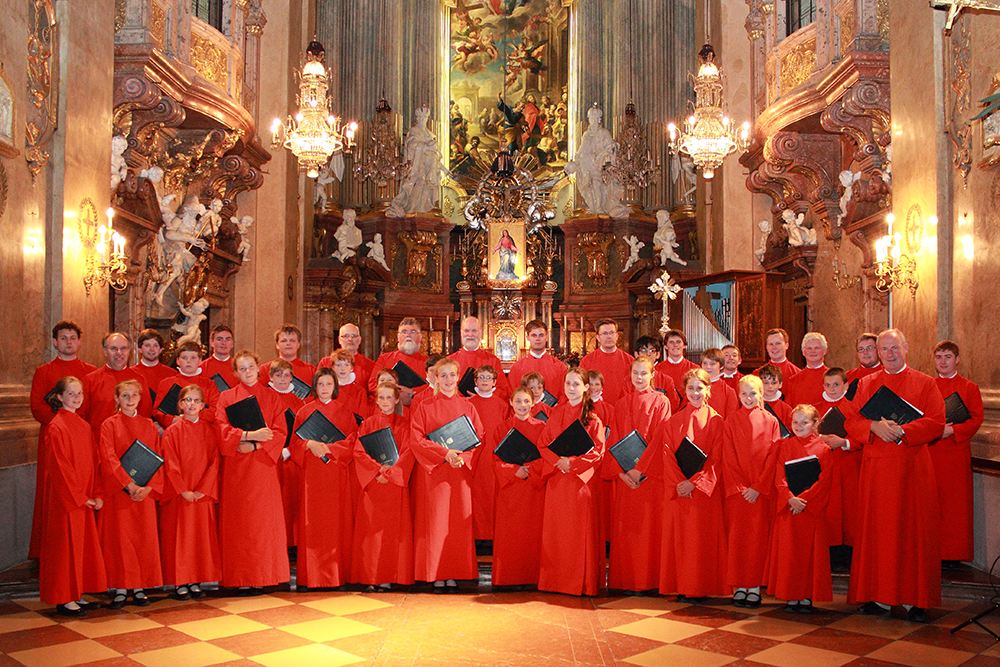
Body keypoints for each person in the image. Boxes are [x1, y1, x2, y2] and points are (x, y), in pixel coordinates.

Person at [844, 329, 946, 623]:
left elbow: (937, 423)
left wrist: (902, 431)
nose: (889, 354)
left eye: (894, 348)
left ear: (907, 348)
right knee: (878, 532)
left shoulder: (926, 383)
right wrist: (873, 427)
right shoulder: (866, 383)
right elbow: (851, 419)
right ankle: (878, 597)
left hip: (912, 467)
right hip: (877, 468)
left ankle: (917, 599)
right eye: (883, 349)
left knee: (914, 532)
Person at [638, 369, 727, 602]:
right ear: (684, 391)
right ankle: (680, 585)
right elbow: (666, 454)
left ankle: (699, 586)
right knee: (679, 540)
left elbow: (717, 458)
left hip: (703, 493)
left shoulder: (717, 421)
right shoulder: (674, 421)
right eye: (691, 388)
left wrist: (694, 483)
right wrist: (680, 483)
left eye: (700, 388)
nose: (695, 393)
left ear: (708, 390)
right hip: (679, 491)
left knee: (700, 542)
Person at [215, 350, 290, 595]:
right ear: (235, 373)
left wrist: (256, 444)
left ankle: (263, 575)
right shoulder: (226, 397)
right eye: (242, 368)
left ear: (259, 368)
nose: (247, 372)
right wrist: (246, 436)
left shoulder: (271, 397)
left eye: (251, 367)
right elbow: (221, 429)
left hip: (263, 468)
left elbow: (280, 431)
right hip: (237, 468)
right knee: (239, 523)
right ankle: (239, 576)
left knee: (262, 523)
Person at [410, 358, 484, 592]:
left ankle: (454, 572)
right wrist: (444, 454)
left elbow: (478, 437)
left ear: (458, 377)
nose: (449, 380)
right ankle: (436, 572)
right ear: (435, 378)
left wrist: (463, 457)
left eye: (453, 375)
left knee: (456, 523)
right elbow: (417, 439)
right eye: (444, 375)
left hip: (459, 472)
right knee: (436, 523)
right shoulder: (425, 406)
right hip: (435, 473)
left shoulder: (468, 407)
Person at [39, 377, 107, 617]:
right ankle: (64, 597)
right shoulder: (56, 426)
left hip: (84, 496)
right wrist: (79, 496)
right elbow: (59, 467)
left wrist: (96, 491)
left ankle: (77, 592)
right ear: (59, 397)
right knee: (65, 548)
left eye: (79, 394)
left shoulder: (83, 425)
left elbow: (94, 461)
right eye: (71, 393)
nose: (76, 398)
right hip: (66, 500)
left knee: (81, 547)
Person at [29, 321, 97, 560]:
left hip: (82, 438)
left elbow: (92, 406)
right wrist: (65, 427)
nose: (69, 342)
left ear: (79, 341)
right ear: (55, 342)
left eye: (72, 338)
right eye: (63, 338)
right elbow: (38, 407)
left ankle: (83, 553)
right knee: (55, 494)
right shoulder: (43, 371)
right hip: (55, 438)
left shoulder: (90, 370)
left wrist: (79, 429)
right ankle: (51, 553)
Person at [538, 368, 607, 597]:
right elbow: (543, 444)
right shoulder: (556, 414)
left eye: (576, 384)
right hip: (558, 481)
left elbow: (598, 452)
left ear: (586, 387)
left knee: (579, 535)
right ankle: (555, 581)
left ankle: (582, 583)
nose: (571, 388)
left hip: (579, 483)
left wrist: (573, 463)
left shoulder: (593, 418)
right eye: (568, 384)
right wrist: (559, 461)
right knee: (557, 534)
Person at [605, 357, 671, 595]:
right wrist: (622, 473)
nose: (640, 378)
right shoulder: (621, 404)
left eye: (644, 373)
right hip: (627, 479)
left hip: (650, 477)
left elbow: (660, 439)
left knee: (649, 529)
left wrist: (640, 469)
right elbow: (613, 442)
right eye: (635, 373)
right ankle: (627, 580)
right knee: (628, 530)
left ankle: (650, 580)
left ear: (652, 375)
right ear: (629, 375)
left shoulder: (662, 401)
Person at [289, 368, 358, 589]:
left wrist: (327, 448)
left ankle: (336, 575)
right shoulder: (304, 411)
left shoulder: (345, 411)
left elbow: (352, 442)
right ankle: (313, 576)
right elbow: (294, 443)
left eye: (329, 384)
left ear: (335, 387)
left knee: (336, 524)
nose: (325, 388)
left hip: (335, 474)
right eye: (321, 385)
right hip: (312, 475)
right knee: (313, 524)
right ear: (315, 387)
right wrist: (309, 444)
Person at [98, 379, 163, 608]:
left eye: (133, 396)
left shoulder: (148, 425)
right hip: (120, 492)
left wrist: (148, 487)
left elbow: (157, 457)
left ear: (140, 398)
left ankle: (140, 586)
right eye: (124, 396)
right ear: (116, 398)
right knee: (121, 540)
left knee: (142, 539)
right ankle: (120, 587)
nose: (129, 400)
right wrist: (128, 484)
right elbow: (108, 458)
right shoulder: (109, 425)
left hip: (143, 493)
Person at [766, 404, 834, 614]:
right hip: (789, 509)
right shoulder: (785, 446)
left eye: (804, 422)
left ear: (815, 424)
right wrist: (789, 498)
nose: (799, 426)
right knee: (790, 554)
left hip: (809, 511)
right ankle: (790, 595)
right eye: (795, 422)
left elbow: (824, 481)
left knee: (809, 555)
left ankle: (805, 596)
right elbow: (779, 476)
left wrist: (802, 500)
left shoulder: (823, 448)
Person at [350, 382, 416, 591]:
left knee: (391, 533)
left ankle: (389, 575)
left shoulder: (405, 425)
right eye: (381, 398)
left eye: (389, 398)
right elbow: (359, 452)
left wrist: (389, 473)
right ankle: (372, 576)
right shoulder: (368, 424)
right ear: (376, 400)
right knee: (372, 532)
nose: (385, 402)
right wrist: (377, 471)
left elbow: (408, 453)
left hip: (394, 485)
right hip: (374, 484)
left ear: (397, 399)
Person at [722, 375, 780, 608]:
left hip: (759, 492)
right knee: (737, 538)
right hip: (738, 493)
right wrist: (739, 486)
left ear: (761, 394)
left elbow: (773, 457)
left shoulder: (771, 421)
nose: (748, 397)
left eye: (753, 393)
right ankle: (739, 586)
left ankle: (754, 586)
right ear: (738, 395)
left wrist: (758, 487)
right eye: (744, 393)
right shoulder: (730, 420)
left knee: (757, 539)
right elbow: (728, 456)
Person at [159, 384, 221, 600]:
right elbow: (170, 463)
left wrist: (202, 489)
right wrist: (184, 490)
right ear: (180, 405)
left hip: (201, 494)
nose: (192, 404)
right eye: (188, 400)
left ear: (203, 405)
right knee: (181, 538)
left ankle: (195, 579)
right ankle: (180, 581)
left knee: (199, 539)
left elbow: (214, 462)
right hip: (181, 494)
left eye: (196, 400)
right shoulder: (171, 431)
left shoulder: (208, 430)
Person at [931, 340, 984, 566]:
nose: (943, 362)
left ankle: (953, 554)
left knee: (955, 506)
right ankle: (930, 549)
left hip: (955, 453)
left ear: (957, 359)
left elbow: (977, 419)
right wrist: (934, 430)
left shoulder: (969, 387)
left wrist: (952, 429)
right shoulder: (928, 385)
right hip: (930, 451)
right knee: (931, 504)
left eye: (948, 357)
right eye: (939, 357)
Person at [491, 386, 546, 588]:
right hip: (511, 488)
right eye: (518, 401)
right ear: (511, 404)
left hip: (533, 489)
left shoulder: (542, 427)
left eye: (526, 401)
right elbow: (495, 459)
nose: (522, 405)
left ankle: (532, 577)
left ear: (533, 403)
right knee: (510, 535)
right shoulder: (501, 428)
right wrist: (514, 471)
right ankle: (508, 577)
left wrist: (530, 469)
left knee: (533, 533)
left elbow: (547, 457)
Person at [817, 367, 860, 553]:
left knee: (848, 509)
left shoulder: (853, 408)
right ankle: (828, 550)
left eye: (836, 385)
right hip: (823, 467)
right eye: (828, 385)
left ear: (846, 385)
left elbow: (863, 435)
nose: (832, 389)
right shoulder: (816, 408)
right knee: (828, 508)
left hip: (847, 463)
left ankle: (847, 550)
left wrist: (843, 441)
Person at [82, 333, 152, 443]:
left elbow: (145, 415)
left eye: (123, 348)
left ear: (129, 351)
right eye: (113, 349)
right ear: (105, 351)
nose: (119, 353)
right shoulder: (90, 380)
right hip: (98, 443)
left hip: (131, 445)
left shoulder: (139, 380)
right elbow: (82, 418)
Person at [467, 364, 510, 541]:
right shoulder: (468, 404)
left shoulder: (502, 405)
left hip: (494, 455)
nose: (485, 381)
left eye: (488, 378)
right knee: (477, 494)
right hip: (475, 456)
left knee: (494, 495)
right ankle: (477, 535)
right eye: (481, 377)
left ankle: (494, 535)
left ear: (494, 382)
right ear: (475, 381)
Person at [267, 359, 305, 551]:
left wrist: (290, 450)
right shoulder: (265, 398)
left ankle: (292, 544)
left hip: (292, 457)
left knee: (291, 502)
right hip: (269, 458)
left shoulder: (299, 402)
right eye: (278, 375)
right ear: (271, 377)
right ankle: (275, 542)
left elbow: (303, 431)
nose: (283, 379)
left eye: (287, 375)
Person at [152, 342, 220, 429]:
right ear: (177, 361)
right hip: (175, 429)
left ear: (200, 361)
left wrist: (190, 416)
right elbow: (157, 411)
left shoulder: (209, 384)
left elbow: (215, 410)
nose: (188, 361)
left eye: (193, 358)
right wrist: (173, 419)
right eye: (184, 358)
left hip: (202, 430)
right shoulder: (166, 383)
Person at [448, 316, 512, 399]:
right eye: (466, 331)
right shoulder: (449, 361)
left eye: (474, 331)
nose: (470, 334)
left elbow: (502, 389)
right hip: (457, 406)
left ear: (480, 333)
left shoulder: (492, 360)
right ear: (461, 333)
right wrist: (461, 398)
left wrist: (482, 397)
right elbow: (443, 387)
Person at [369, 318, 429, 405]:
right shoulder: (384, 359)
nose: (408, 335)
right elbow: (372, 385)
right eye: (404, 332)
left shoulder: (428, 362)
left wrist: (412, 392)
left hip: (420, 408)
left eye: (413, 332)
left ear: (420, 336)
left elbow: (435, 387)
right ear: (398, 336)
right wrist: (398, 396)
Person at [508, 320, 567, 402]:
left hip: (553, 413)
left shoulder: (559, 366)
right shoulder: (517, 367)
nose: (538, 339)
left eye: (541, 335)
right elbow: (513, 395)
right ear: (528, 338)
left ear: (546, 337)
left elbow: (564, 395)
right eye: (534, 335)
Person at [580, 319, 634, 406]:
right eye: (604, 333)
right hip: (596, 409)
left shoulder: (630, 360)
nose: (609, 336)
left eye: (612, 333)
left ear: (617, 336)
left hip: (623, 409)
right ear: (598, 337)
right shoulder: (587, 361)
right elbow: (582, 388)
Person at [319, 323, 375, 392]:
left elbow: (373, 395)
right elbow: (319, 388)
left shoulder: (370, 365)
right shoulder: (326, 362)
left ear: (359, 340)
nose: (350, 339)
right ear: (339, 340)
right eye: (346, 336)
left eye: (353, 336)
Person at [782, 332, 829, 411]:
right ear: (803, 352)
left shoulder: (833, 378)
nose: (813, 351)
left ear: (825, 351)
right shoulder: (793, 380)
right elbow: (788, 411)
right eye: (809, 348)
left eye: (817, 348)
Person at [130, 329, 178, 404]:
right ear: (140, 349)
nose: (151, 349)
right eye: (147, 345)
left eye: (155, 345)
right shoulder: (131, 373)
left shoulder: (172, 374)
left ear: (161, 349)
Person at [634, 336, 680, 413]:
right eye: (643, 350)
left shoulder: (667, 380)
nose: (648, 354)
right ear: (636, 354)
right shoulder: (629, 380)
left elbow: (673, 406)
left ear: (658, 354)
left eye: (652, 350)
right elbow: (626, 405)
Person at [655, 329, 699, 407]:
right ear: (665, 346)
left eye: (678, 342)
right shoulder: (657, 370)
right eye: (671, 342)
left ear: (685, 346)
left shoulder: (695, 369)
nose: (675, 345)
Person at [327, 349, 370, 419]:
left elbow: (362, 417)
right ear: (333, 367)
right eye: (339, 365)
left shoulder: (360, 391)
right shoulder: (328, 389)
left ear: (352, 368)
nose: (342, 368)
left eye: (346, 365)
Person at [701, 348, 739, 418]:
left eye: (712, 364)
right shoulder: (694, 387)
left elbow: (730, 419)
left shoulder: (729, 392)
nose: (708, 367)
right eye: (705, 363)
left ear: (721, 366)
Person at [200, 325, 238, 390]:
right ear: (211, 342)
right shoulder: (202, 368)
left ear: (232, 344)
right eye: (219, 339)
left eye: (228, 339)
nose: (224, 343)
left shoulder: (239, 367)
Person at [760, 363, 793, 431]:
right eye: (766, 383)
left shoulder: (786, 409)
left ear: (780, 384)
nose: (770, 386)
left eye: (774, 383)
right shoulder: (755, 405)